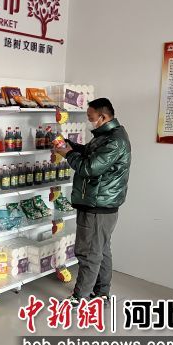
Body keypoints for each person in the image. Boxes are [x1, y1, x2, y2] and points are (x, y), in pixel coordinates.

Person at [53, 98, 131, 306]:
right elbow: (89, 154)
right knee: (101, 250)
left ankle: (80, 297)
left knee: (88, 252)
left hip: (97, 205)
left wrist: (68, 154)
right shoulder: (107, 136)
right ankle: (102, 293)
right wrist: (71, 145)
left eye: (91, 117)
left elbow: (90, 168)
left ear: (103, 117)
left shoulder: (114, 141)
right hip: (101, 204)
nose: (89, 120)